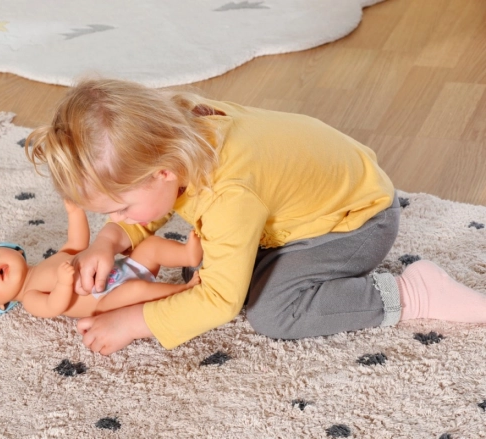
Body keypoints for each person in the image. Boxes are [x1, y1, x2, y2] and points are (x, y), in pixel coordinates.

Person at [25, 78, 486, 355]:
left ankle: (414, 293)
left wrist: (135, 321)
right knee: (197, 269)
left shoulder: (229, 193)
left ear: (162, 172)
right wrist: (108, 241)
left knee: (272, 312)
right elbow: (148, 207)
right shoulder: (176, 128)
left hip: (357, 223)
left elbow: (220, 302)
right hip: (300, 212)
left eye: (121, 209)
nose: (120, 218)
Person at [0, 200, 202, 318]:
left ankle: (187, 255)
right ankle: (181, 290)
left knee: (150, 246)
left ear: (16, 251)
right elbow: (54, 307)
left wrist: (74, 212)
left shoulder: (50, 261)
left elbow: (77, 244)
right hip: (106, 299)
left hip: (120, 269)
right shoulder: (30, 298)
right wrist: (63, 283)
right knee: (136, 290)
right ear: (0, 304)